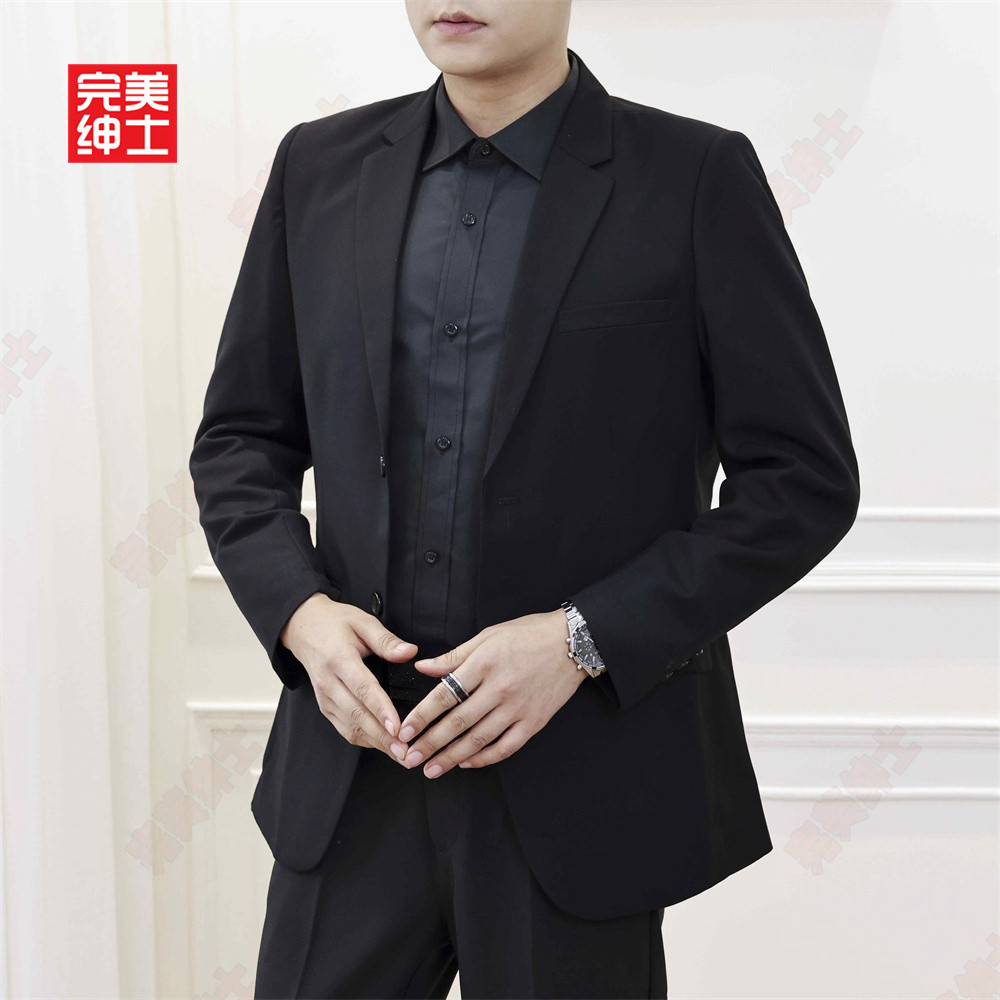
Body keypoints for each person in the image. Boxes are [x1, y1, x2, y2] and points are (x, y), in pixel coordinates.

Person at [189, 2, 861, 996]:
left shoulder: (693, 177)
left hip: (579, 782)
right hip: (353, 775)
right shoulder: (319, 167)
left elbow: (803, 481)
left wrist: (581, 639)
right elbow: (242, 438)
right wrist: (299, 615)